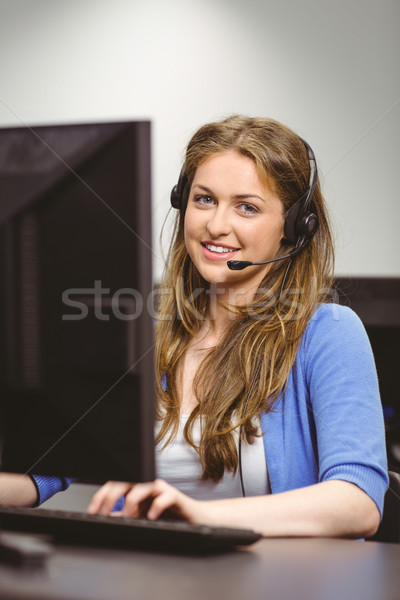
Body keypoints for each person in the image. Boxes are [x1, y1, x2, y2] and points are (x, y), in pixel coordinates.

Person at [0, 116, 388, 538]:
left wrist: (202, 517)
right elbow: (47, 470)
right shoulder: (142, 330)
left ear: (294, 228)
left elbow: (358, 501)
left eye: (247, 207)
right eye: (204, 200)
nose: (216, 225)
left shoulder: (327, 331)